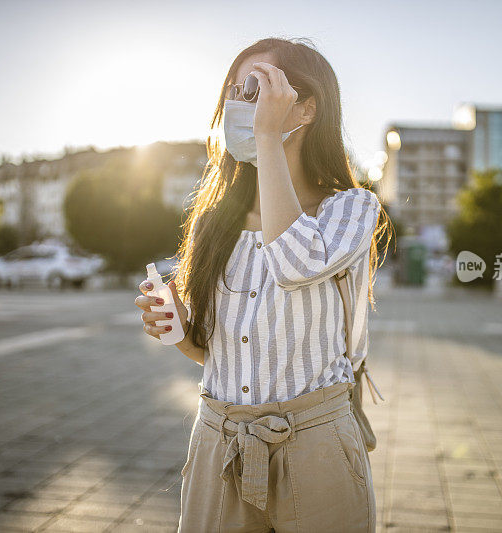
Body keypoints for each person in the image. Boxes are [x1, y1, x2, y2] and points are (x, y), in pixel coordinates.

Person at [135, 36, 387, 533]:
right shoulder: (215, 221)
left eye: (257, 88)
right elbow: (216, 355)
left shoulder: (350, 209)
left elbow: (294, 261)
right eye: (235, 90)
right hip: (219, 438)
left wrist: (268, 140)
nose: (239, 103)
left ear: (307, 106)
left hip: (316, 442)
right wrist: (181, 329)